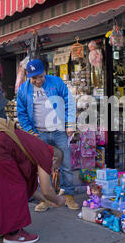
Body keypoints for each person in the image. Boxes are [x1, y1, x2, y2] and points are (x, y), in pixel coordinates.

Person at [0, 116, 66, 243]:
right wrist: (58, 200)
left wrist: (48, 201)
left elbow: (31, 188)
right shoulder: (46, 153)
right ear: (54, 159)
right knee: (15, 188)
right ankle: (15, 234)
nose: (51, 171)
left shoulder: (34, 146)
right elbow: (46, 190)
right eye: (54, 168)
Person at [17, 59, 79, 211]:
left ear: (45, 72)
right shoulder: (23, 90)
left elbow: (69, 102)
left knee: (65, 166)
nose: (38, 80)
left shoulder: (56, 82)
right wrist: (31, 133)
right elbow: (22, 113)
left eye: (40, 76)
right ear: (28, 76)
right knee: (43, 168)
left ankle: (69, 195)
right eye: (34, 78)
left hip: (59, 131)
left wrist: (70, 125)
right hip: (40, 134)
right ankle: (46, 198)